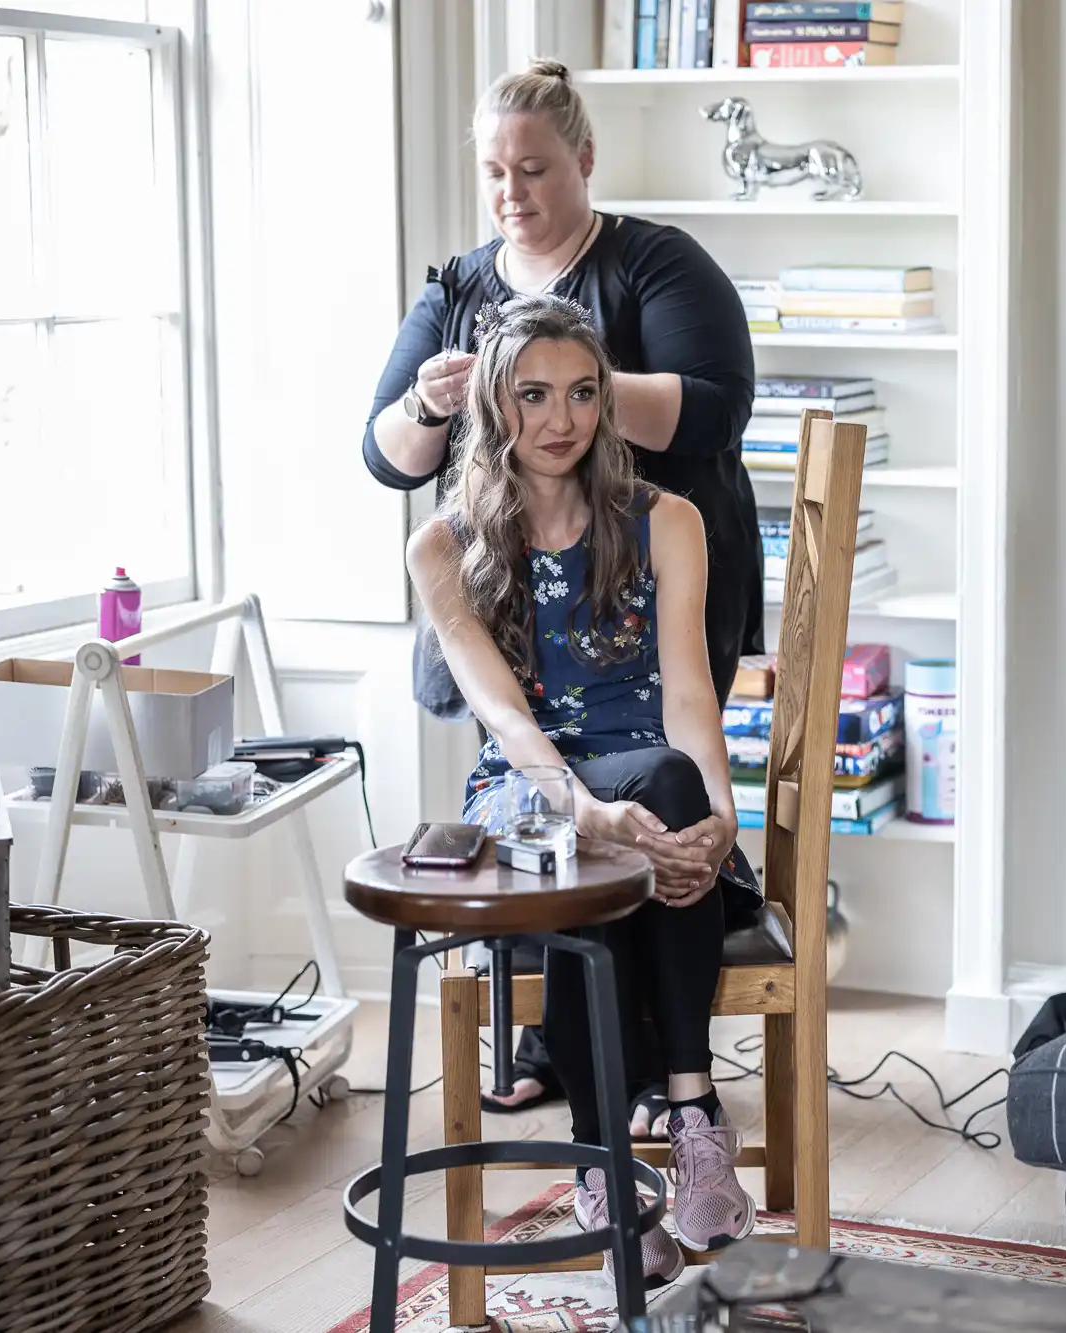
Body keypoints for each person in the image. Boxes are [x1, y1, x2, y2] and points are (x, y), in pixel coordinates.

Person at [364, 57, 760, 1122]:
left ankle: (643, 1083)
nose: (510, 191)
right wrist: (448, 398)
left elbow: (715, 413)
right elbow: (387, 455)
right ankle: (589, 1062)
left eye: (532, 168)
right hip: (513, 593)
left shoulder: (656, 266)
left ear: (583, 161)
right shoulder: (456, 287)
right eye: (493, 171)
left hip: (642, 592)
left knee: (653, 777)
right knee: (568, 787)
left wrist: (553, 376)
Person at [408, 293, 758, 1284]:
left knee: (663, 784)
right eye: (531, 395)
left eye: (580, 393)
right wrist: (580, 806)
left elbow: (689, 690)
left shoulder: (667, 522)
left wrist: (723, 817)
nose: (559, 419)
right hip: (522, 793)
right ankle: (629, 1150)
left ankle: (677, 1126)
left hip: (654, 791)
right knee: (592, 841)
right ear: (491, 402)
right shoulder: (441, 545)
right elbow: (505, 719)